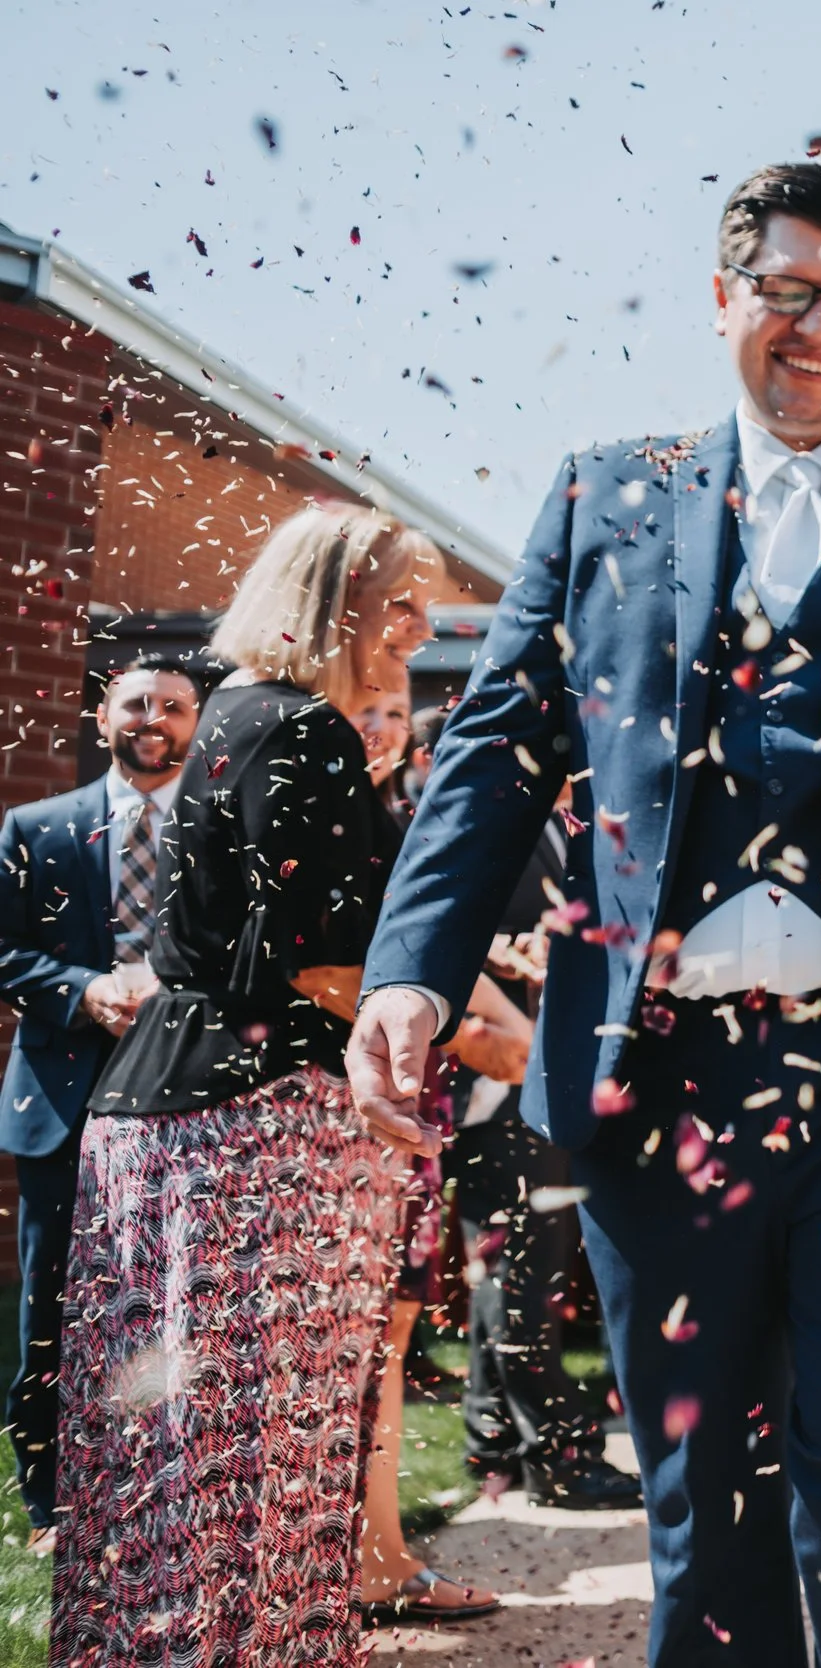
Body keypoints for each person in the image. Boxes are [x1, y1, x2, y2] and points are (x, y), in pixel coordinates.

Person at [347, 162, 821, 1668]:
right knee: (704, 1500)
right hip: (668, 1084)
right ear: (726, 302)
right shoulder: (599, 497)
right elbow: (499, 752)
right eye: (784, 292)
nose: (815, 329)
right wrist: (412, 974)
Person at [52, 504, 463, 1662]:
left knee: (160, 1458)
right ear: (333, 600)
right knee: (254, 1452)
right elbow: (331, 964)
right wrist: (466, 1027)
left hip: (169, 1124)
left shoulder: (232, 713)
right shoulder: (305, 731)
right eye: (400, 603)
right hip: (258, 1135)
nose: (421, 629)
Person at [399, 710, 642, 1508]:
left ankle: (490, 1439)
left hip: (529, 1071)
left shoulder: (533, 823)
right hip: (489, 1073)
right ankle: (560, 1459)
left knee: (513, 1266)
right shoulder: (445, 828)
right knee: (521, 1270)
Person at [0, 651, 201, 1550]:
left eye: (173, 706)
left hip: (184, 1095)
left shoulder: (216, 829)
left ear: (196, 724)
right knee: (54, 1298)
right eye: (136, 703)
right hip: (62, 1090)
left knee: (173, 1302)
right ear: (103, 717)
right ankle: (49, 1502)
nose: (153, 718)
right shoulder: (32, 828)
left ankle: (161, 1486)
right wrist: (83, 990)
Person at [350, 672, 518, 1623]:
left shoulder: (413, 828)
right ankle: (350, 1555)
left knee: (394, 1334)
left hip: (416, 1113)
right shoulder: (318, 819)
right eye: (362, 706)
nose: (378, 725)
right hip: (334, 1103)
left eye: (391, 710)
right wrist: (487, 1021)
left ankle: (380, 1555)